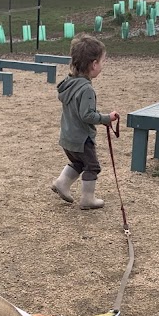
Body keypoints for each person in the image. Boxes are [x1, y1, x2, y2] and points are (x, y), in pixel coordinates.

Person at [51, 35, 119, 210]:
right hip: (82, 139)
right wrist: (105, 118)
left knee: (79, 163)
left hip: (67, 137)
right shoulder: (86, 89)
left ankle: (62, 183)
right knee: (92, 167)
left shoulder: (69, 83)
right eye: (103, 61)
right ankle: (88, 199)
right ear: (94, 64)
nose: (103, 66)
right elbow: (87, 115)